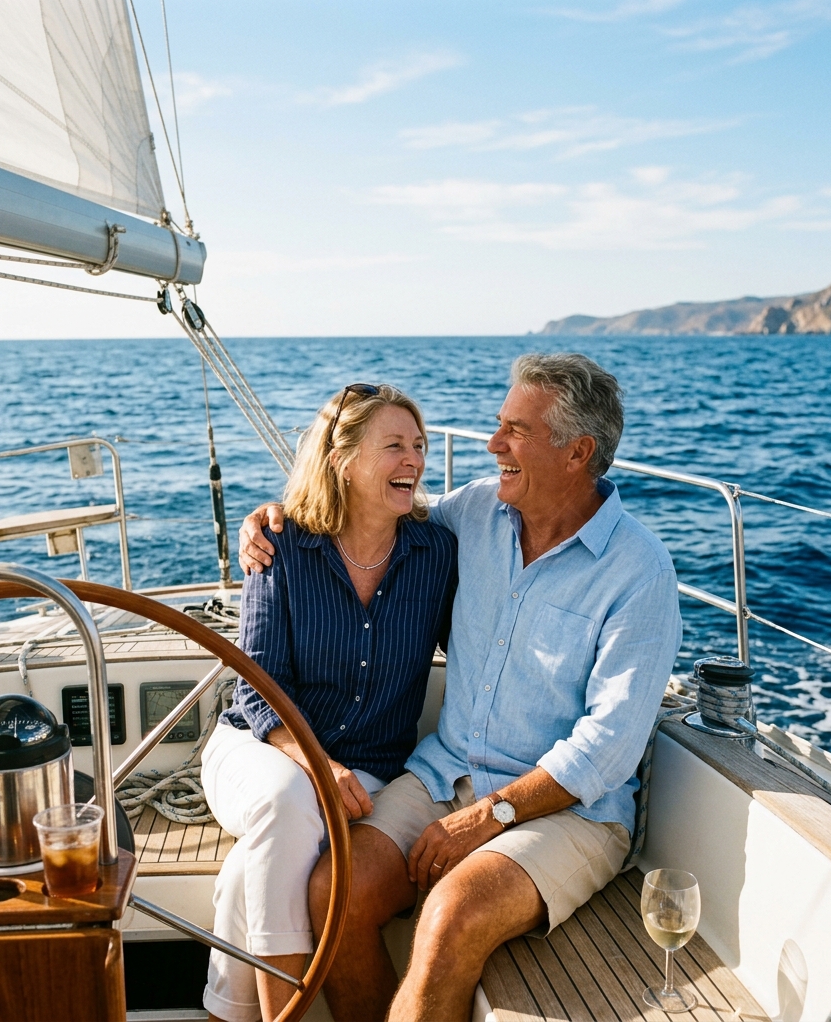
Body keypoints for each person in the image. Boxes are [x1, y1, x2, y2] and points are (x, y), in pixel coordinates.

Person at [238, 353, 683, 1022]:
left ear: (577, 452)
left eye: (515, 431)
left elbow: (607, 751)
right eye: (498, 425)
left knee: (449, 915)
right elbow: (368, 512)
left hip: (567, 812)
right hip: (443, 774)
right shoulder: (473, 512)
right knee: (336, 895)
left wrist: (492, 815)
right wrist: (275, 519)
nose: (492, 443)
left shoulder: (639, 572)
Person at [201, 383, 457, 1022]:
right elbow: (256, 686)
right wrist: (317, 761)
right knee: (287, 800)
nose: (415, 461)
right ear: (342, 459)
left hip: (369, 768)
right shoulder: (282, 544)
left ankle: (228, 1013)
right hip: (258, 746)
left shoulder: (438, 553)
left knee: (247, 874)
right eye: (394, 445)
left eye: (419, 446)